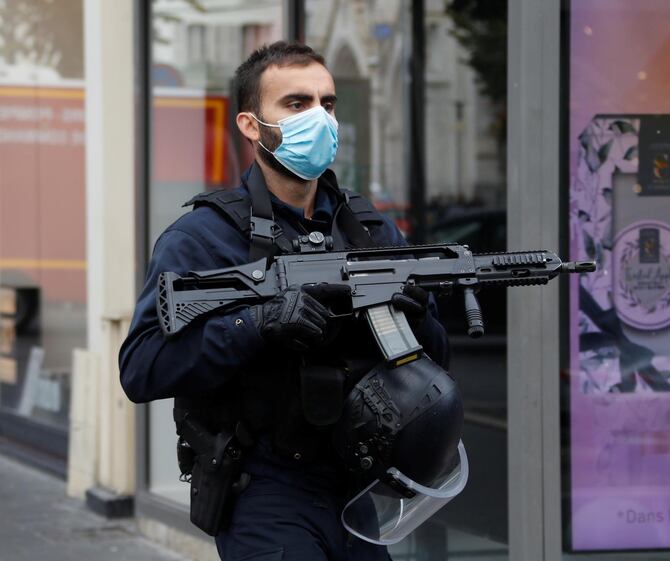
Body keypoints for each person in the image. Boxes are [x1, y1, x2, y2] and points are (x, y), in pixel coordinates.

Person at [118, 41, 449, 561]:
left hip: (358, 485)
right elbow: (140, 369)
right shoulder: (203, 237)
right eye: (297, 104)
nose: (319, 118)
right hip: (266, 490)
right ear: (251, 126)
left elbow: (433, 364)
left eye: (328, 103)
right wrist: (256, 324)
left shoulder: (370, 230)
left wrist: (414, 315)